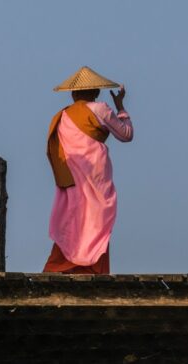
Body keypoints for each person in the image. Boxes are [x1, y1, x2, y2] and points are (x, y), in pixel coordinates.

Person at [44, 66, 133, 274]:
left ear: (73, 94)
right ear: (96, 92)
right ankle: (94, 268)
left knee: (72, 218)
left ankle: (62, 267)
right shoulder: (101, 109)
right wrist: (120, 107)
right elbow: (126, 134)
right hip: (97, 176)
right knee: (96, 221)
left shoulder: (62, 116)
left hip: (71, 178)